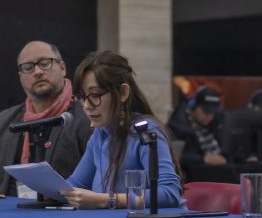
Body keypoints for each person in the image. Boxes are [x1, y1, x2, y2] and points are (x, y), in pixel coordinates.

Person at [61, 51, 183, 209]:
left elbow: (168, 193)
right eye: (82, 97)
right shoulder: (100, 133)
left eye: (95, 95)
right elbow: (75, 184)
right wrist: (43, 184)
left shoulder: (145, 131)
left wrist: (106, 200)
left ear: (123, 93)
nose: (86, 106)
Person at [0, 41, 92, 196]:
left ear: (62, 68)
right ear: (20, 77)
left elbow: (96, 185)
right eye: (28, 67)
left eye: (45, 63)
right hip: (8, 216)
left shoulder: (87, 117)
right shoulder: (2, 122)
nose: (37, 71)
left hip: (64, 215)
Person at [169, 86, 228, 172]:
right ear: (194, 106)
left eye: (213, 112)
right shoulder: (178, 124)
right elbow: (173, 156)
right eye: (206, 111)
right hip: (191, 174)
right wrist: (203, 159)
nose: (209, 116)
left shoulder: (217, 122)